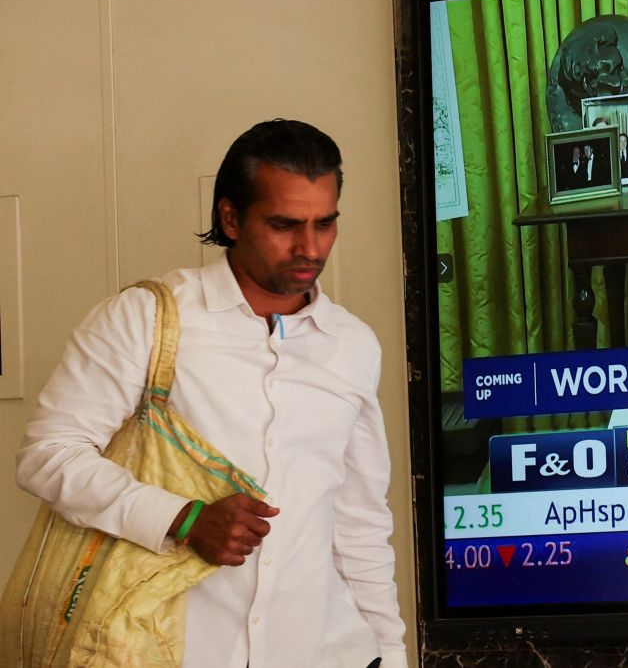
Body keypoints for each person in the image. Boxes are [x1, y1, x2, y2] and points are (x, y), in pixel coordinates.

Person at [14, 120, 407, 667]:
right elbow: (49, 455)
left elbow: (359, 521)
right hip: (171, 651)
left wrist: (390, 652)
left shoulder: (352, 344)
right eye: (284, 224)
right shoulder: (147, 318)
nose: (310, 247)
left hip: (327, 651)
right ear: (231, 218)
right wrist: (182, 518)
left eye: (325, 223)